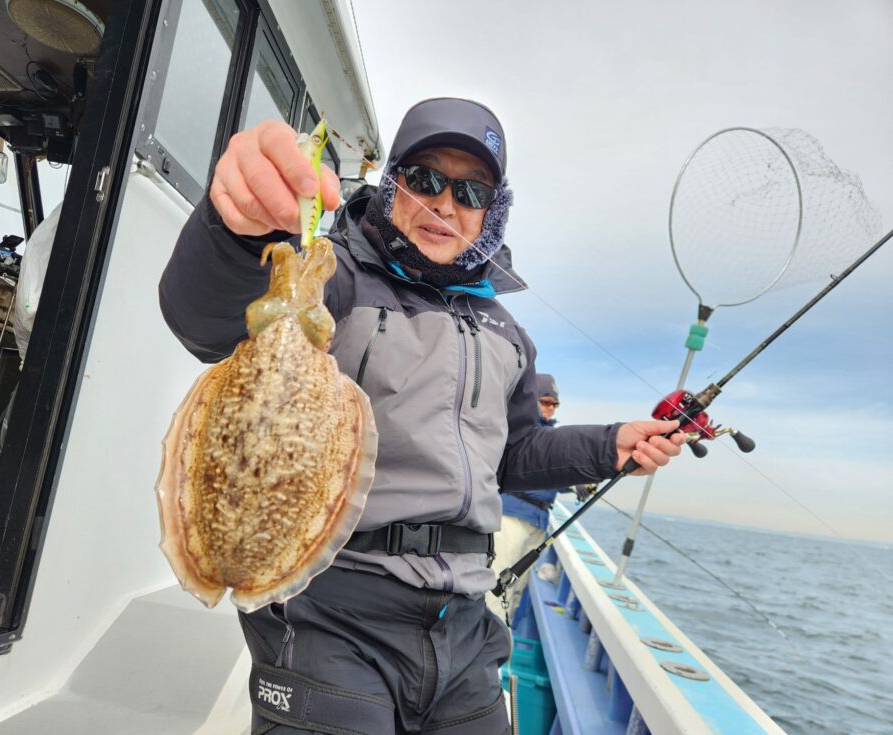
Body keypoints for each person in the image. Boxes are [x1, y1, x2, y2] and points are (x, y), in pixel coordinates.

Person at [159, 97, 683, 735]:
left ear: (493, 211)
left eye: (470, 191)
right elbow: (208, 319)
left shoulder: (507, 332)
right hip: (334, 605)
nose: (445, 204)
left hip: (463, 623)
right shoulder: (336, 278)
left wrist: (609, 445)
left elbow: (512, 456)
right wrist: (235, 229)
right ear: (393, 183)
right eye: (426, 179)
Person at [487, 373, 564, 624]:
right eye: (545, 402)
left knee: (516, 588)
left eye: (554, 404)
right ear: (532, 401)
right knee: (497, 585)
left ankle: (502, 642)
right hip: (510, 518)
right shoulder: (520, 431)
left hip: (537, 523)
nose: (550, 408)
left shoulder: (551, 437)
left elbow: (552, 473)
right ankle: (485, 650)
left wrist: (575, 484)